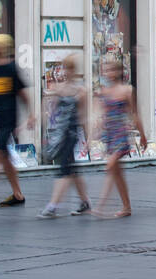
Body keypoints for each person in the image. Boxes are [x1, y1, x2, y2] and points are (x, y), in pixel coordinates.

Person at [37, 54, 92, 218]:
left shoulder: (81, 91)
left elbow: (84, 116)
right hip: (60, 133)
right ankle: (85, 202)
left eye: (69, 68)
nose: (66, 72)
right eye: (64, 68)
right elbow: (49, 109)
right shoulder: (59, 89)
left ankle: (53, 205)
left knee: (64, 169)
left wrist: (88, 140)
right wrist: (44, 128)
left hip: (71, 133)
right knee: (71, 168)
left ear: (74, 70)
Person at [92, 54, 146, 217]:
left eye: (111, 70)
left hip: (121, 133)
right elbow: (100, 112)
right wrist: (96, 126)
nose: (108, 73)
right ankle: (126, 207)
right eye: (105, 70)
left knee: (110, 166)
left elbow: (135, 114)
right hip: (109, 133)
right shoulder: (104, 90)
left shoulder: (127, 90)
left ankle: (100, 206)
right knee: (117, 173)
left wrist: (142, 136)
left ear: (118, 72)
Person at [0, 34, 33, 207]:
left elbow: (22, 94)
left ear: (1, 48)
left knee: (0, 152)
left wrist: (31, 115)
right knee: (3, 155)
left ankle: (14, 193)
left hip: (9, 116)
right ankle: (17, 193)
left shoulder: (10, 68)